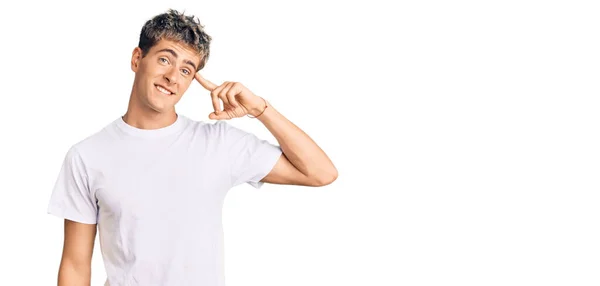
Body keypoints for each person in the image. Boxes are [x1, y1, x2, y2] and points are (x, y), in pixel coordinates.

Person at [46, 8, 337, 286]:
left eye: (187, 70)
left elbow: (321, 173)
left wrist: (261, 109)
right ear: (137, 59)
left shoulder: (219, 143)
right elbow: (75, 264)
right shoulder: (87, 156)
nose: (173, 77)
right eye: (164, 60)